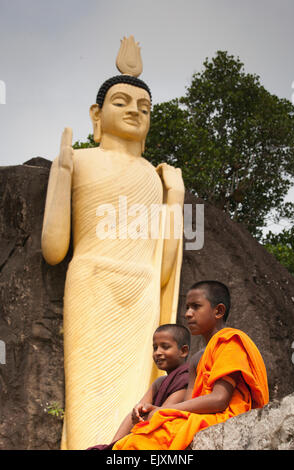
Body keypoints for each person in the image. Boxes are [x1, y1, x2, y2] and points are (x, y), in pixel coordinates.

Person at [41, 37, 184, 449]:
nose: (134, 112)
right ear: (96, 114)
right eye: (121, 102)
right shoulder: (81, 161)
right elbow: (53, 250)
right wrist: (63, 171)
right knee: (89, 399)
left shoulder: (152, 179)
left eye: (144, 108)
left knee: (136, 400)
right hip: (94, 284)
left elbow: (165, 271)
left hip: (139, 295)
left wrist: (173, 196)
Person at [113, 280, 269, 450]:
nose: (187, 313)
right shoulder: (196, 359)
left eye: (196, 306)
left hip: (225, 418)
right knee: (131, 441)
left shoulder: (230, 342)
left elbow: (219, 399)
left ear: (218, 311)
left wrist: (163, 411)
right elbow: (188, 406)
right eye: (187, 307)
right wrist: (155, 412)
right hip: (199, 418)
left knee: (145, 441)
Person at [87, 323, 191, 450]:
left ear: (183, 351)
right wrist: (114, 445)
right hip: (145, 430)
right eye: (155, 348)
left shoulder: (186, 378)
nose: (157, 352)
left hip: (161, 437)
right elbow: (136, 412)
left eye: (165, 347)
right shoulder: (159, 382)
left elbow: (162, 415)